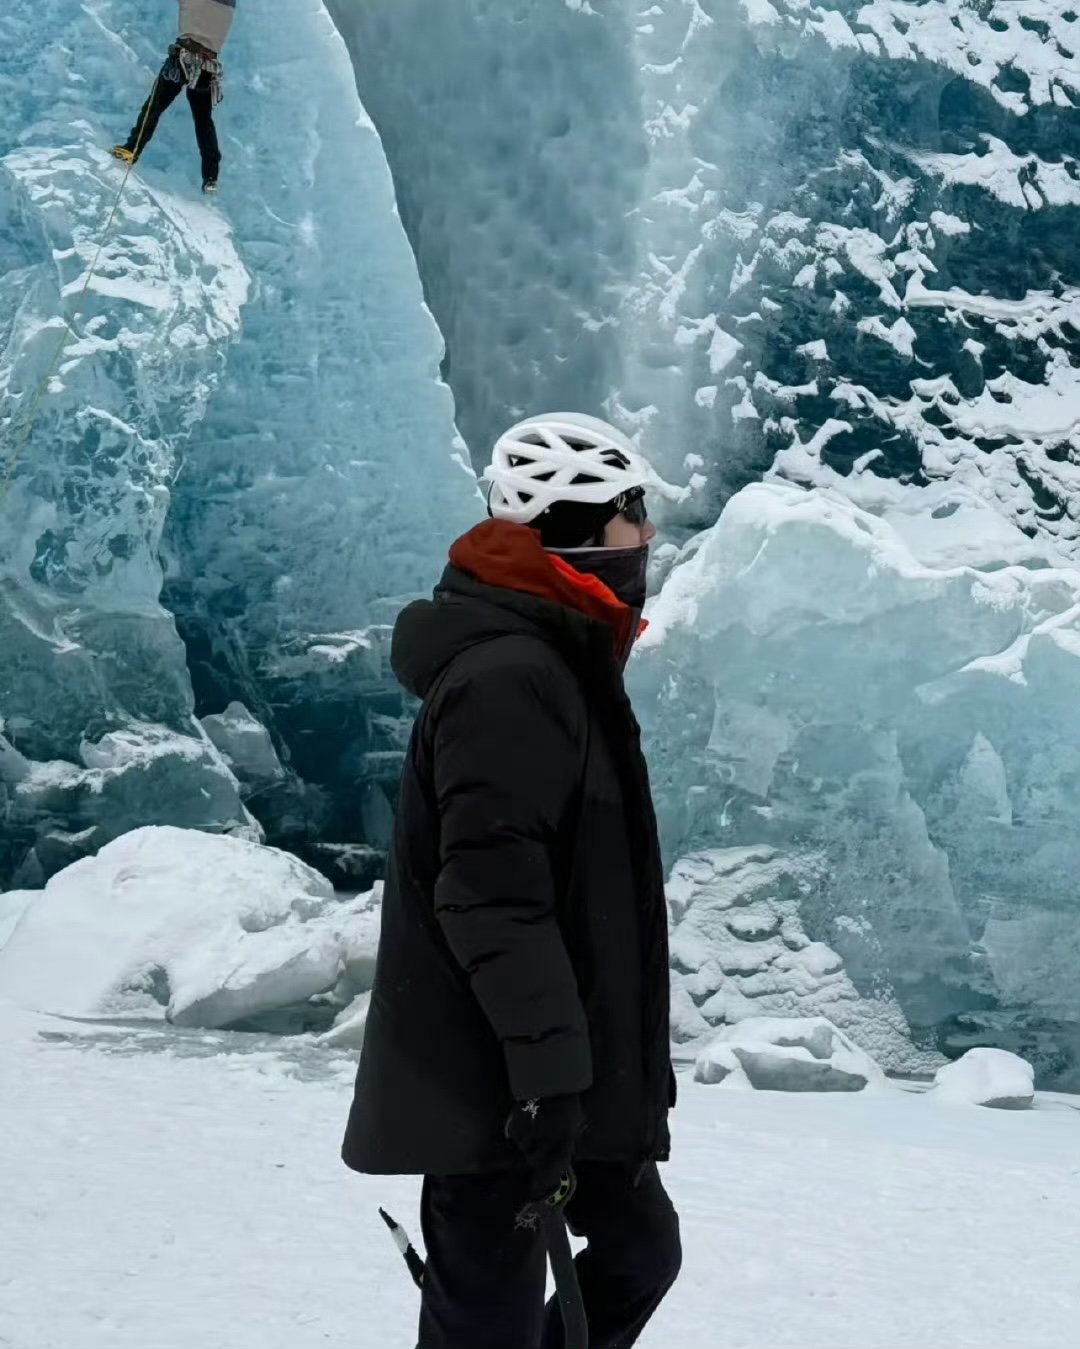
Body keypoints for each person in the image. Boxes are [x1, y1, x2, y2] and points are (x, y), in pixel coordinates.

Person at [342, 413, 681, 1348]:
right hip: (493, 1083)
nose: (645, 535)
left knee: (639, 1249)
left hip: (554, 1069)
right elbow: (492, 897)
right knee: (483, 1323)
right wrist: (545, 1082)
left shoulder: (555, 665)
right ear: (573, 528)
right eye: (629, 514)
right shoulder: (509, 677)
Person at [111, 0, 236, 194]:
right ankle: (211, 177)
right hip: (207, 67)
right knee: (204, 122)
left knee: (154, 106)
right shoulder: (229, 7)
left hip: (182, 59)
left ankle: (132, 149)